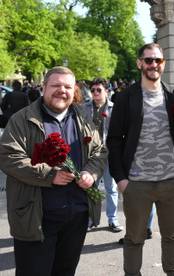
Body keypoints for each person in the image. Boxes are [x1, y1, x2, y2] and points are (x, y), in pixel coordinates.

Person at [0, 66, 107, 276]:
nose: (62, 90)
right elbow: (9, 157)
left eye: (67, 86)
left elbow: (99, 151)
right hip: (36, 218)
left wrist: (91, 173)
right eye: (56, 85)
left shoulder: (83, 118)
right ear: (44, 87)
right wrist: (50, 175)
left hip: (76, 216)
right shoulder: (22, 119)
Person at [106, 43, 174, 275]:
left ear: (163, 64)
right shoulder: (125, 98)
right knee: (134, 239)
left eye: (157, 60)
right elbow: (113, 140)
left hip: (172, 181)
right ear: (139, 63)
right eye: (148, 60)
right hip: (137, 183)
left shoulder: (173, 95)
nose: (153, 64)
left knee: (171, 237)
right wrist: (121, 179)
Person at [82, 78, 123, 233]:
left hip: (109, 154)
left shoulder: (115, 108)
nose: (95, 93)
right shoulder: (84, 108)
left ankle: (112, 220)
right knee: (91, 187)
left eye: (99, 90)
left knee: (111, 188)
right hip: (91, 155)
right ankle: (91, 219)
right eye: (93, 90)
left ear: (107, 91)